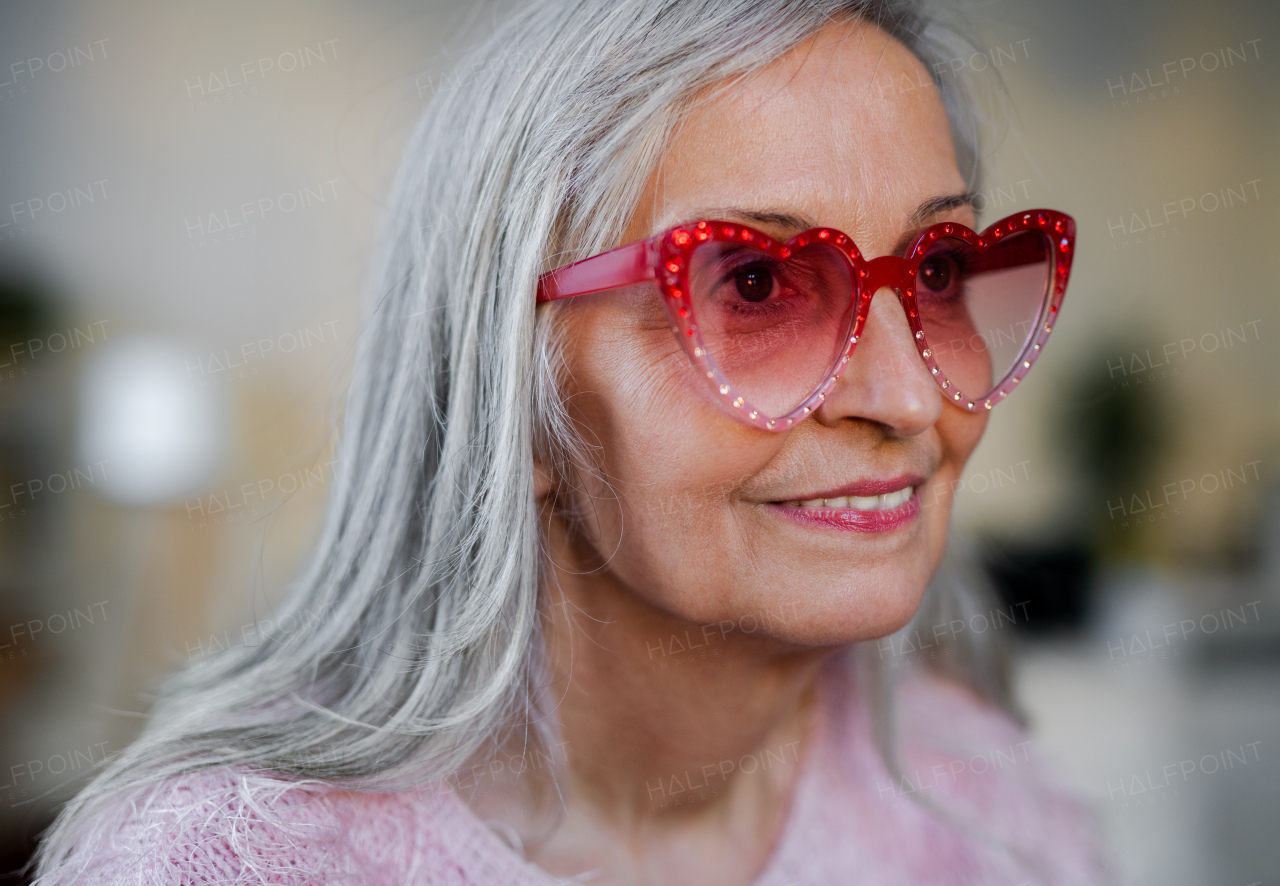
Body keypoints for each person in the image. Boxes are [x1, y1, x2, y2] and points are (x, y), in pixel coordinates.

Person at [35, 0, 1109, 883]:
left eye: (934, 273)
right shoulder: (231, 865)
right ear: (511, 383)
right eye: (752, 282)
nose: (910, 397)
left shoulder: (989, 814)